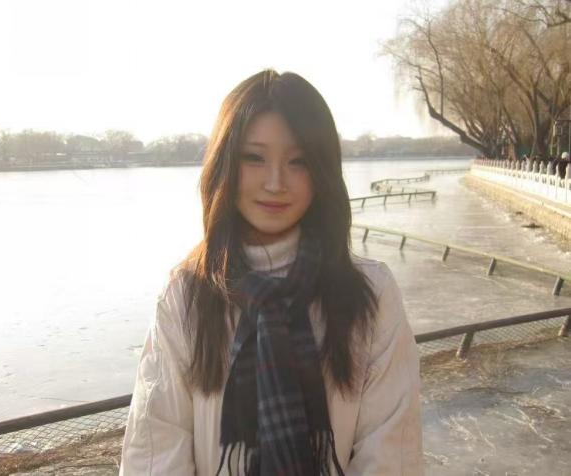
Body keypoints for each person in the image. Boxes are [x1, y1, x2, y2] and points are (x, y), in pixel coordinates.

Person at [120, 69, 423, 475]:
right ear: (226, 164)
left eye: (298, 161)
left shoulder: (370, 292)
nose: (276, 182)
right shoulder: (188, 293)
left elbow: (390, 453)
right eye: (254, 158)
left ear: (322, 172)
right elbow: (155, 450)